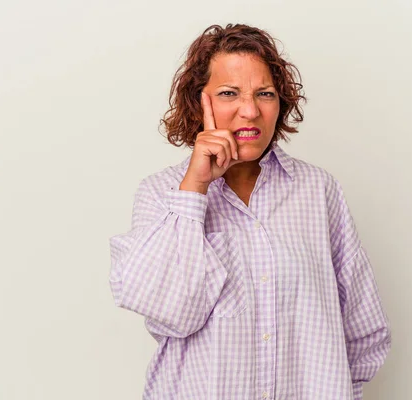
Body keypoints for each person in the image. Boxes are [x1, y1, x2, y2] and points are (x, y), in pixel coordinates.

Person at [109, 23, 391, 400]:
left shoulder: (317, 191)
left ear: (281, 104)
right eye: (229, 93)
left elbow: (363, 327)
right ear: (199, 102)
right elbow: (167, 312)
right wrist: (194, 189)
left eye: (265, 94)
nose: (250, 110)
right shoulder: (160, 194)